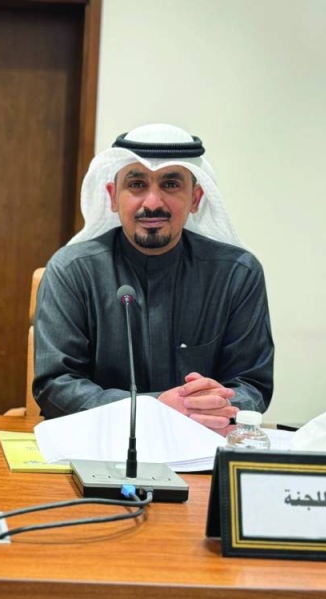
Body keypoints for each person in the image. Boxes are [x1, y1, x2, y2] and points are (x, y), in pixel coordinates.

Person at [33, 124, 273, 434]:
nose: (152, 203)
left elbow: (252, 386)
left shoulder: (237, 274)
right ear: (113, 196)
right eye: (136, 184)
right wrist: (155, 409)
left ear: (196, 198)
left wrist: (214, 405)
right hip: (99, 444)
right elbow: (55, 386)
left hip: (200, 443)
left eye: (171, 184)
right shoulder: (72, 270)